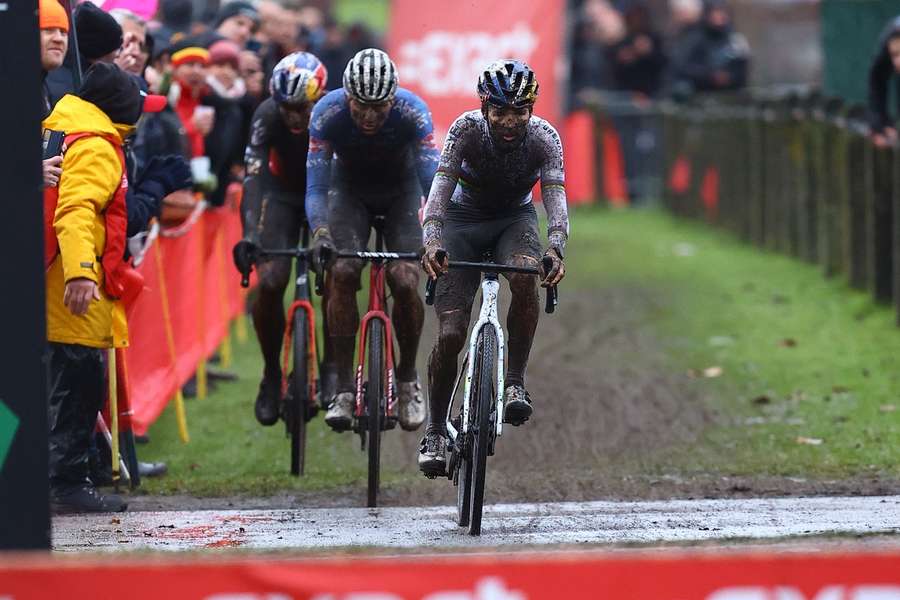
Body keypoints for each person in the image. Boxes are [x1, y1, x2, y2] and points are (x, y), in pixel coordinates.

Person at [418, 60, 568, 476]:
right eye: (500, 111)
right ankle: (434, 429)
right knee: (450, 333)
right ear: (484, 108)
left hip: (513, 221)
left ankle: (514, 382)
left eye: (520, 111)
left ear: (532, 110)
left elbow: (555, 198)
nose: (509, 121)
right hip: (462, 222)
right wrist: (431, 240)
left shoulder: (544, 139)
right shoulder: (465, 131)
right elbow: (439, 192)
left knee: (524, 274)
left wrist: (556, 246)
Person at [44, 63, 161, 513]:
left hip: (44, 277)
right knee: (78, 388)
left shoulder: (58, 128)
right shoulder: (96, 146)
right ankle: (66, 485)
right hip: (69, 288)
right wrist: (81, 273)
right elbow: (76, 211)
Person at [306, 48, 438, 433]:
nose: (367, 115)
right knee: (343, 270)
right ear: (347, 96)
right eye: (360, 105)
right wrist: (320, 232)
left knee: (405, 278)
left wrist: (437, 229)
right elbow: (315, 187)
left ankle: (409, 377)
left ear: (392, 99)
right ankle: (344, 387)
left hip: (403, 190)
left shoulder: (413, 111)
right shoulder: (327, 113)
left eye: (378, 108)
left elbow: (434, 181)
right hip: (348, 191)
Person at [235, 52, 332, 426]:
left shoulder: (334, 113)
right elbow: (253, 177)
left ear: (319, 98)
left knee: (340, 276)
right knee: (272, 280)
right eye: (287, 107)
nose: (294, 116)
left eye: (302, 108)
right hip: (283, 196)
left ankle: (333, 369)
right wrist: (250, 234)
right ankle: (272, 373)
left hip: (326, 193)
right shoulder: (266, 114)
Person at [669, 0, 749, 97]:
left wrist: (729, 77)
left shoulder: (735, 40)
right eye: (715, 13)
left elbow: (742, 69)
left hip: (730, 94)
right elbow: (684, 67)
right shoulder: (695, 39)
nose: (719, 17)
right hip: (700, 94)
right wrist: (710, 76)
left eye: (722, 13)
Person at [40, 0, 70, 191]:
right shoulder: (9, 86)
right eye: (48, 30)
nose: (59, 38)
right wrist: (31, 173)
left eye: (63, 32)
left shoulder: (42, 86)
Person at [867, 16, 900, 147]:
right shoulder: (891, 35)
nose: (897, 61)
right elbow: (877, 78)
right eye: (895, 55)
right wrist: (879, 122)